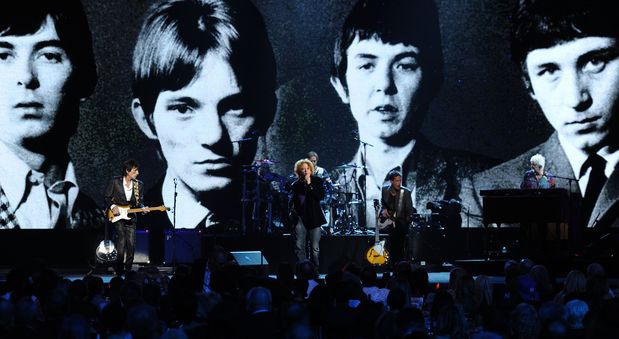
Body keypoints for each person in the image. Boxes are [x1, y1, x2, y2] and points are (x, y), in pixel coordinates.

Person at [330, 0, 496, 229]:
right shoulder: (322, 191)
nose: (385, 85)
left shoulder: (481, 179)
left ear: (432, 81)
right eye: (367, 66)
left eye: (405, 65)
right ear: (341, 85)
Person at [461, 0, 619, 232]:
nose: (575, 99)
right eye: (549, 71)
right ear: (529, 85)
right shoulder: (486, 189)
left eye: (595, 61)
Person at [130, 0, 276, 235]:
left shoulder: (292, 221)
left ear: (267, 113)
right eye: (183, 109)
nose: (213, 136)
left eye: (235, 107)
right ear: (147, 120)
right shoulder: (127, 228)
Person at [0, 0, 104, 229]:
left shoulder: (99, 222)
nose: (26, 77)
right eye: (3, 55)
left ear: (83, 77)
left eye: (48, 56)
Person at [104, 159, 146, 275]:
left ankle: (128, 268)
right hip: (117, 216)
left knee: (131, 243)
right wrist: (113, 206)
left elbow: (139, 202)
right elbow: (107, 197)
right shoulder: (115, 181)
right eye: (135, 171)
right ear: (127, 171)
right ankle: (118, 269)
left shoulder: (139, 185)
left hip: (131, 216)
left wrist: (142, 208)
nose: (137, 173)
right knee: (121, 241)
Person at [290, 158, 326, 269]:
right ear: (299, 171)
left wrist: (310, 184)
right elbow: (294, 202)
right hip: (301, 218)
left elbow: (320, 196)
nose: (305, 171)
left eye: (307, 169)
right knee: (300, 246)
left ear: (311, 170)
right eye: (303, 169)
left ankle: (314, 270)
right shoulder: (295, 185)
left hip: (315, 218)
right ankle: (303, 269)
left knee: (315, 247)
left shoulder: (317, 181)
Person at [380, 170, 415, 266]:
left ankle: (401, 267)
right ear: (391, 181)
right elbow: (382, 204)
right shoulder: (384, 190)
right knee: (392, 246)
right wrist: (383, 210)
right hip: (389, 223)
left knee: (400, 247)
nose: (399, 183)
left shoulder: (406, 192)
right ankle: (394, 266)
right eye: (396, 181)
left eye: (400, 180)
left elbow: (409, 210)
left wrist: (407, 221)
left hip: (401, 223)